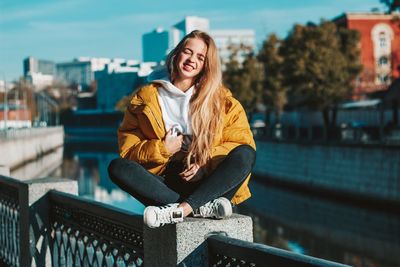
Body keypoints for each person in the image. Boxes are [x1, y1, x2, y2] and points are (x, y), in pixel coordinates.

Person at [108, 30, 256, 228]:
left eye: (200, 57)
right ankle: (198, 207)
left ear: (206, 65)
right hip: (164, 182)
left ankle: (181, 210)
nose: (192, 60)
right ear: (176, 54)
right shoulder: (145, 98)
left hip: (209, 182)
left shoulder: (223, 101)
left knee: (246, 153)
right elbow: (128, 151)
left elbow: (240, 142)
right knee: (117, 167)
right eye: (188, 52)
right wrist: (162, 149)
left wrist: (205, 165)